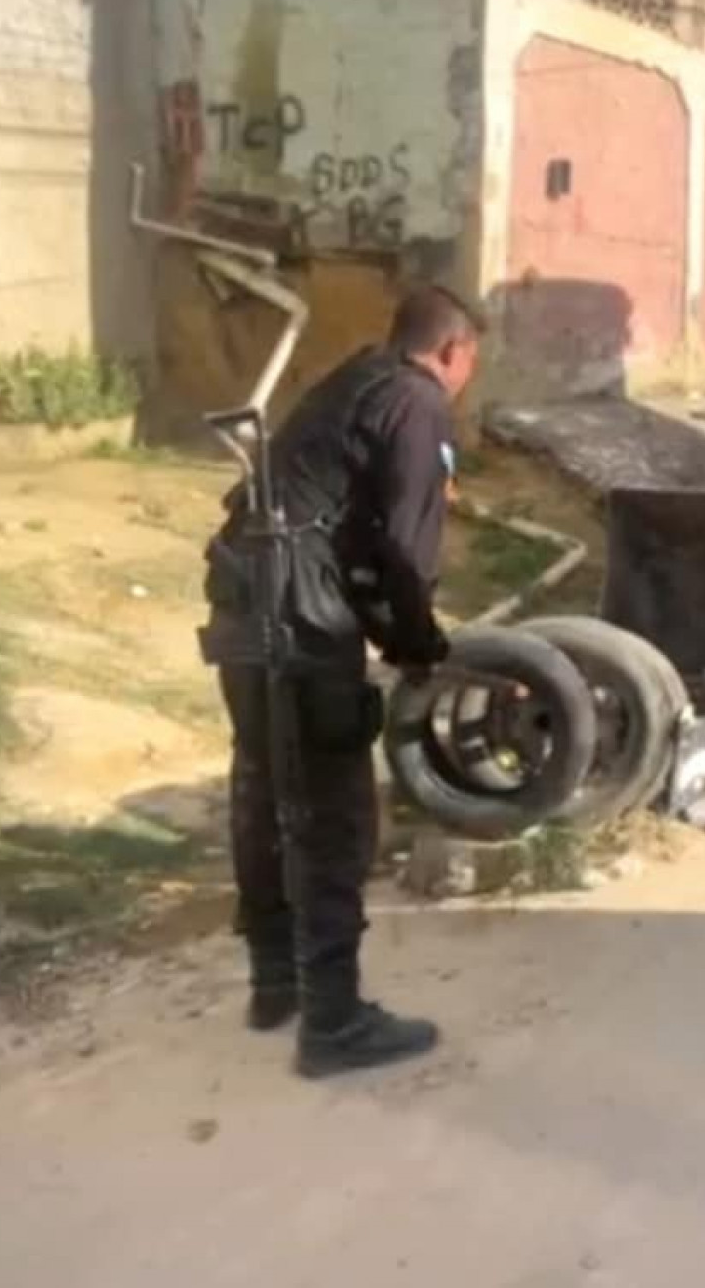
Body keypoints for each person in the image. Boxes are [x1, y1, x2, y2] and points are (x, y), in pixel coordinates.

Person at [202, 285, 481, 1076]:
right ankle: (333, 1022)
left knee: (262, 786)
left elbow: (341, 525)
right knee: (330, 811)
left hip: (239, 595)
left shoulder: (351, 380)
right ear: (453, 351)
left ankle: (275, 982)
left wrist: (390, 631)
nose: (464, 382)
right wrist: (419, 644)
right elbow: (400, 549)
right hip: (299, 618)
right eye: (470, 366)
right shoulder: (417, 402)